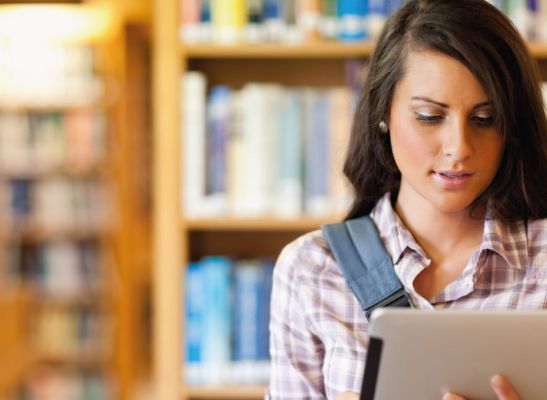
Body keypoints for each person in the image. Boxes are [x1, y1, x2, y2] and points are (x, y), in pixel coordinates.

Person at [266, 0, 547, 399]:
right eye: (430, 116)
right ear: (383, 111)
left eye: (485, 119)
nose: (459, 147)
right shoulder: (312, 269)